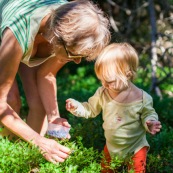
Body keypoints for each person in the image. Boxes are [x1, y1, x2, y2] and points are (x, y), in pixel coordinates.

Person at [0, 0, 110, 163]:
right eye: (75, 55)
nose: (78, 61)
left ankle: (25, 161)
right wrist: (39, 142)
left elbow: (46, 75)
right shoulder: (18, 33)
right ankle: (6, 157)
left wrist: (54, 118)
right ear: (56, 38)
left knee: (38, 105)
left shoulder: (70, 30)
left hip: (34, 37)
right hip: (9, 32)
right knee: (11, 100)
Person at [66, 43, 162, 172]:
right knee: (106, 170)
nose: (104, 85)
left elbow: (148, 113)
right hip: (112, 146)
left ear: (127, 74)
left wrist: (149, 122)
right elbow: (90, 109)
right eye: (101, 80)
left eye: (109, 81)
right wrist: (77, 107)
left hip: (136, 147)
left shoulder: (143, 98)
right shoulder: (103, 93)